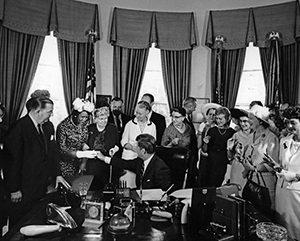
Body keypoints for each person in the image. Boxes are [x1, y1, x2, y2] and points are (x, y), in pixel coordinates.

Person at [3, 97, 70, 228]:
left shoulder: (47, 127)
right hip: (22, 189)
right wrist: (14, 189)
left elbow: (52, 153)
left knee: (35, 221)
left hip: (40, 187)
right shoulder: (18, 128)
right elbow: (11, 161)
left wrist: (58, 174)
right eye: (49, 111)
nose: (51, 114)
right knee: (19, 226)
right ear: (38, 111)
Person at [264, 106, 300, 240]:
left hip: (297, 196)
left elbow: (291, 173)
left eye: (293, 122)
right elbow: (283, 166)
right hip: (282, 192)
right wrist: (276, 166)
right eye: (287, 122)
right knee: (283, 230)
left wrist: (294, 176)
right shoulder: (284, 141)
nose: (289, 126)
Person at [240, 104, 279, 219]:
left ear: (261, 121)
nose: (248, 121)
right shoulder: (250, 135)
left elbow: (273, 164)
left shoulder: (271, 138)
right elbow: (248, 156)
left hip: (265, 183)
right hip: (251, 181)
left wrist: (253, 168)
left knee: (264, 214)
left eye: (251, 118)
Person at [97, 134, 172, 191]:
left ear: (143, 151)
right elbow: (124, 163)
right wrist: (104, 158)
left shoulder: (160, 168)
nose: (134, 148)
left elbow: (164, 193)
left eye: (136, 147)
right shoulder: (140, 161)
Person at [56, 98, 97, 177]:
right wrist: (80, 154)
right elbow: (62, 149)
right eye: (82, 117)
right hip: (64, 165)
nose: (84, 120)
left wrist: (83, 163)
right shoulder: (63, 126)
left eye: (86, 118)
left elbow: (84, 144)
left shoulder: (84, 126)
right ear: (75, 115)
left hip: (78, 163)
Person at [120, 100, 156, 188]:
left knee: (140, 185)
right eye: (136, 113)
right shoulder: (130, 124)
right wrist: (132, 148)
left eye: (140, 113)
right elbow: (123, 141)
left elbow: (153, 144)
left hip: (143, 158)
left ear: (147, 112)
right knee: (127, 185)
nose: (137, 115)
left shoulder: (152, 126)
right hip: (129, 156)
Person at [86, 107, 120, 189]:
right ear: (96, 119)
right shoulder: (90, 128)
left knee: (105, 186)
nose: (104, 121)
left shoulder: (112, 128)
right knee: (92, 186)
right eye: (101, 119)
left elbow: (117, 144)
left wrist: (114, 149)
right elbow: (84, 145)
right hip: (92, 162)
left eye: (106, 118)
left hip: (106, 162)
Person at [202, 107, 235, 187]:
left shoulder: (232, 132)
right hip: (211, 162)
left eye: (220, 119)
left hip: (224, 162)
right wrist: (205, 143)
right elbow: (204, 150)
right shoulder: (211, 130)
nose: (218, 121)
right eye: (216, 118)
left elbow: (232, 152)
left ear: (227, 118)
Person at [227, 108, 251, 193]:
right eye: (240, 121)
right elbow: (230, 156)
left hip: (249, 168)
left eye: (245, 121)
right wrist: (229, 148)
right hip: (237, 168)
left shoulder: (256, 135)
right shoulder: (236, 135)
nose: (242, 124)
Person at [197, 102, 220, 187]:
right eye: (210, 114)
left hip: (215, 157)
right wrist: (200, 132)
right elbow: (198, 145)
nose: (211, 117)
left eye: (214, 115)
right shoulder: (203, 126)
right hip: (204, 155)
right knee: (203, 179)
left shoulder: (219, 128)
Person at [182, 96, 198, 187]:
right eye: (194, 107)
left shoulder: (187, 118)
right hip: (186, 154)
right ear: (190, 106)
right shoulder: (182, 119)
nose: (195, 109)